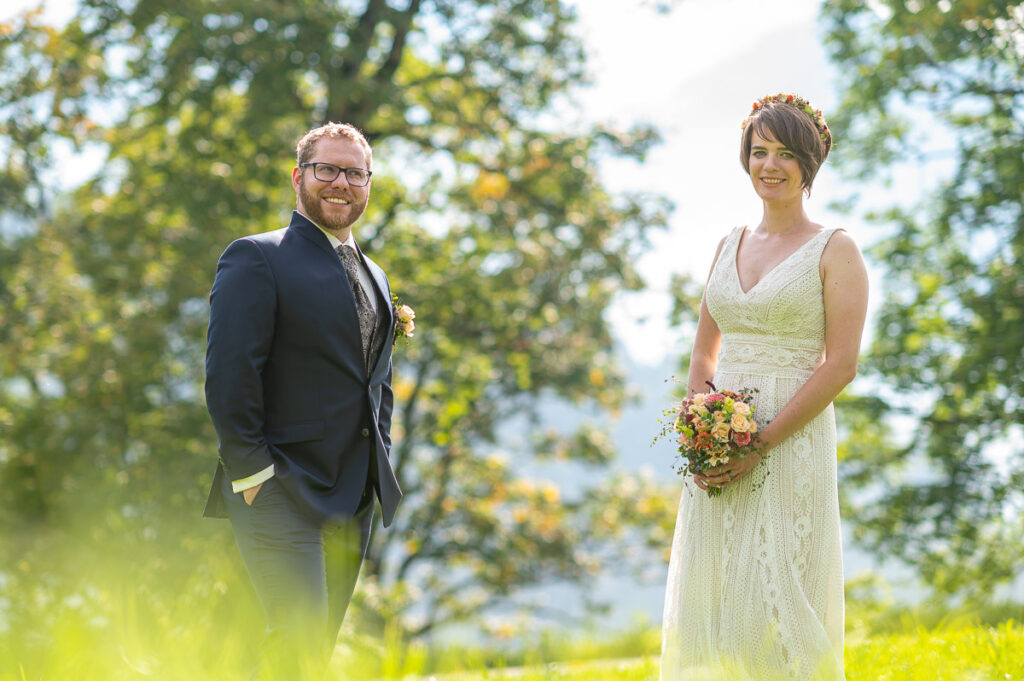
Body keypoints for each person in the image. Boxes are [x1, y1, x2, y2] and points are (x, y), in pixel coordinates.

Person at [660, 94, 868, 680]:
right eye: (758, 152)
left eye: (784, 153)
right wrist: (706, 430)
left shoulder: (836, 250)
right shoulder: (727, 244)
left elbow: (841, 364)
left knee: (781, 591)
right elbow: (705, 349)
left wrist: (761, 442)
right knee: (717, 591)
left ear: (810, 163)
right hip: (722, 442)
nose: (769, 165)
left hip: (790, 437)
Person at [203, 122, 403, 679]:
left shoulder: (376, 276)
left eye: (355, 173)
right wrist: (251, 475)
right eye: (327, 170)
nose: (341, 183)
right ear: (299, 177)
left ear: (369, 184)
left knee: (313, 654)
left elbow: (376, 384)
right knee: (297, 643)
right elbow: (229, 374)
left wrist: (378, 464)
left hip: (354, 495)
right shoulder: (256, 257)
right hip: (278, 489)